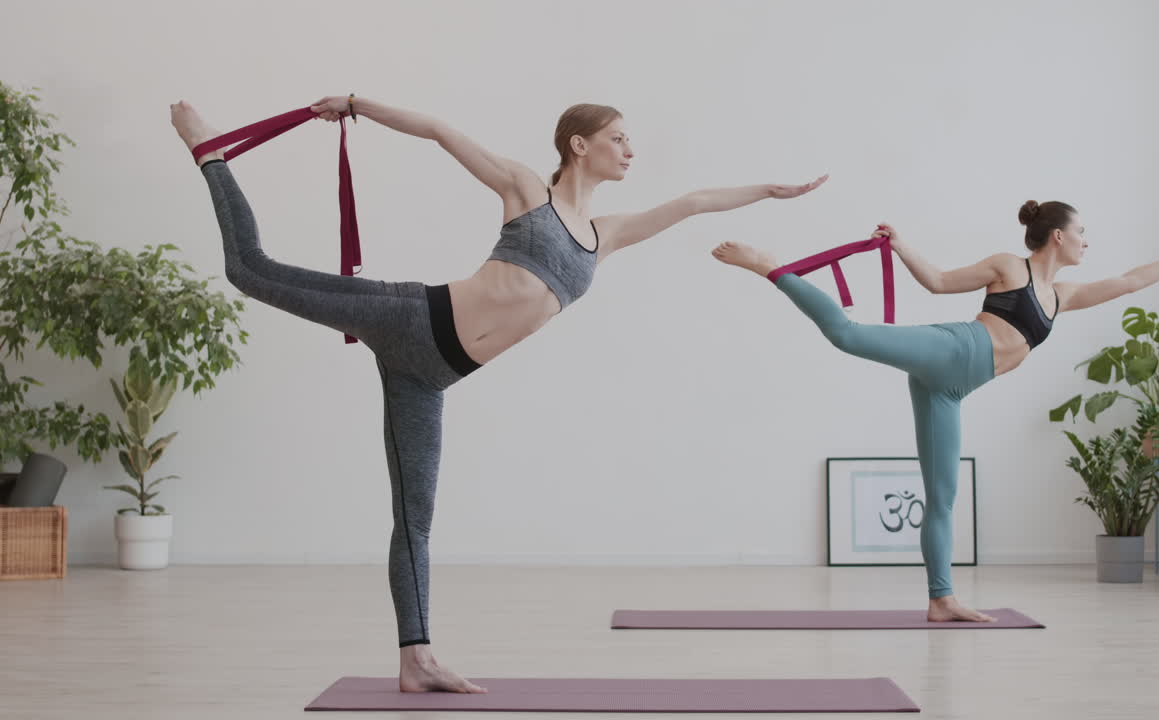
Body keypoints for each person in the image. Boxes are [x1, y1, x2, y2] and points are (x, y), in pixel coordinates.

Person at [170, 95, 825, 693]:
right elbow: (436, 128)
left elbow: (693, 202)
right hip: (407, 317)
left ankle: (416, 659)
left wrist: (769, 191)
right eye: (619, 138)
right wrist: (355, 104)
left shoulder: (604, 236)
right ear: (579, 145)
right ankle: (212, 152)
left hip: (430, 376)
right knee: (248, 269)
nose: (630, 150)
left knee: (416, 518)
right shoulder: (524, 189)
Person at [711, 201, 1159, 622]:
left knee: (942, 496)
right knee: (847, 335)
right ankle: (768, 265)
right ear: (1058, 238)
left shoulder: (1061, 296)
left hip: (951, 391)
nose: (1088, 241)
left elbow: (1130, 282)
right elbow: (936, 282)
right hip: (953, 350)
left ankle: (942, 600)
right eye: (1082, 231)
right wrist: (904, 244)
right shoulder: (1009, 266)